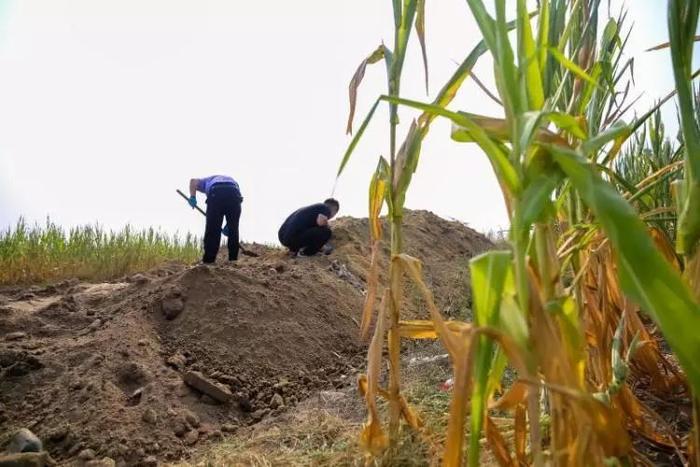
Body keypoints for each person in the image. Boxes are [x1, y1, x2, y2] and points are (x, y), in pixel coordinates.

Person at [188, 175, 242, 263]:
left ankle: (208, 261)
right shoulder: (231, 180)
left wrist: (193, 196)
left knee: (213, 229)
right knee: (233, 229)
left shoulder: (205, 181)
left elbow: (193, 181)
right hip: (234, 193)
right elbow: (237, 203)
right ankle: (233, 260)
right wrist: (229, 225)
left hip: (216, 192)